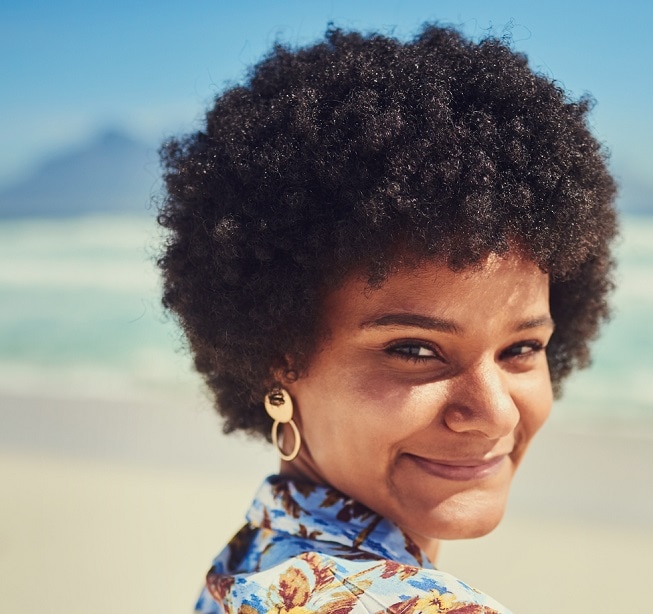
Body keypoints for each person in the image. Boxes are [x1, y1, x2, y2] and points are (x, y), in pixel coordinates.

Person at [157, 24, 617, 614]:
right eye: (415, 350)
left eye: (521, 348)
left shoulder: (257, 559)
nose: (495, 412)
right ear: (278, 352)